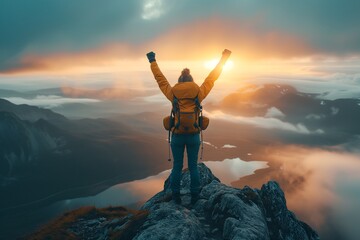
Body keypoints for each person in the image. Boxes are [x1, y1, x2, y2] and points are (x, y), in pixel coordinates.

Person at [146, 49, 232, 204]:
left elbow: (160, 79)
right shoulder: (198, 92)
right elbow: (212, 77)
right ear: (191, 80)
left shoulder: (173, 93)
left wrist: (152, 61)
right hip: (194, 136)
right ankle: (194, 197)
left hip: (177, 136)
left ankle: (176, 197)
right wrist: (224, 59)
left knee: (177, 167)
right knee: (193, 167)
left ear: (180, 80)